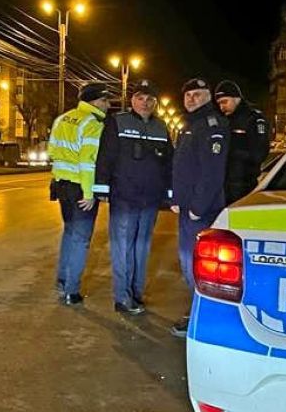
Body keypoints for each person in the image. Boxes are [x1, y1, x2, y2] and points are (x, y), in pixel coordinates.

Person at [93, 79, 172, 315]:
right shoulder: (117, 122)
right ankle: (123, 297)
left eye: (149, 99)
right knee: (122, 247)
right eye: (140, 98)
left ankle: (136, 294)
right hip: (124, 197)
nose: (144, 103)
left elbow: (169, 163)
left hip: (150, 198)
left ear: (155, 103)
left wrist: (169, 193)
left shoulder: (161, 127)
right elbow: (105, 156)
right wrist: (101, 188)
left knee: (142, 247)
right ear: (132, 100)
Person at [169, 77, 229, 337]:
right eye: (188, 95)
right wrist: (175, 199)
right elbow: (181, 166)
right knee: (188, 263)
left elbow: (212, 172)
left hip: (201, 211)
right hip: (187, 208)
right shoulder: (190, 124)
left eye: (197, 94)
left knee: (198, 265)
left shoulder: (212, 125)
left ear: (208, 97)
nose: (191, 99)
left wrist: (197, 207)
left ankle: (203, 316)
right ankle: (198, 310)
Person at [48, 83, 111, 305]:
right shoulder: (92, 124)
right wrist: (89, 193)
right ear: (94, 101)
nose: (108, 105)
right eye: (105, 101)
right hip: (80, 187)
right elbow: (88, 162)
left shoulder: (62, 119)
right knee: (81, 239)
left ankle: (62, 280)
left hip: (61, 184)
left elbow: (52, 151)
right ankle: (72, 291)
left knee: (69, 233)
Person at [215, 79, 271, 205]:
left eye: (224, 101)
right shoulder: (224, 121)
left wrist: (232, 153)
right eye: (219, 103)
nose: (222, 107)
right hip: (224, 186)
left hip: (244, 185)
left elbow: (259, 153)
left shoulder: (253, 119)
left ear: (236, 98)